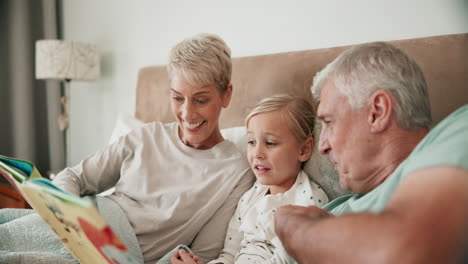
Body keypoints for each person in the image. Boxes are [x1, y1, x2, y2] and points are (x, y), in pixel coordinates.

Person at [0, 33, 254, 264]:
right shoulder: (146, 136)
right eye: (177, 97)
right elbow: (75, 177)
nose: (187, 113)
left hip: (121, 256)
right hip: (82, 226)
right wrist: (66, 214)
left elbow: (204, 253)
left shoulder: (236, 172)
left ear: (226, 95)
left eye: (201, 99)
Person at [274, 42, 468, 263]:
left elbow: (404, 250)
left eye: (329, 122)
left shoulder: (458, 132)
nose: (322, 146)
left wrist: (293, 229)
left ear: (377, 112)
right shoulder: (339, 207)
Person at [170, 94, 328, 264]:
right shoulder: (249, 197)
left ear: (303, 150)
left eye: (270, 143)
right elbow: (229, 255)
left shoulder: (309, 200)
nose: (257, 154)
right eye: (251, 142)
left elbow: (290, 260)